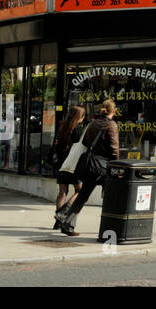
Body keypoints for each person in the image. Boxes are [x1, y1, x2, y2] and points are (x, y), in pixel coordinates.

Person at [54, 99, 119, 236]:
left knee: (82, 196)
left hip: (90, 165)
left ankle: (67, 224)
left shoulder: (92, 123)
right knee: (111, 197)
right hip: (103, 167)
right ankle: (110, 228)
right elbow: (114, 149)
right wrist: (116, 165)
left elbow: (84, 142)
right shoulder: (111, 125)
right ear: (114, 111)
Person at [51, 104, 86, 212]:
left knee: (62, 192)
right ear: (80, 116)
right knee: (81, 191)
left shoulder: (62, 127)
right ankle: (63, 212)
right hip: (73, 165)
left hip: (61, 164)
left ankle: (58, 220)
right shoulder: (78, 130)